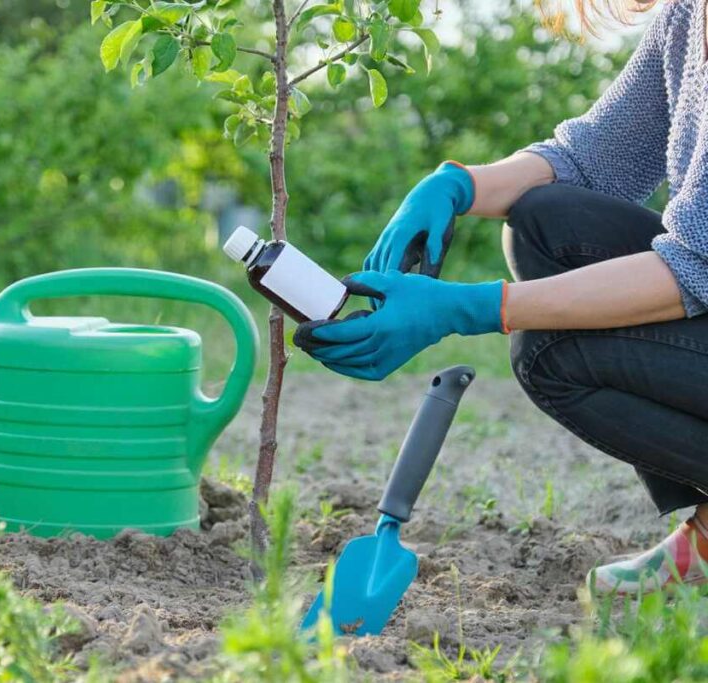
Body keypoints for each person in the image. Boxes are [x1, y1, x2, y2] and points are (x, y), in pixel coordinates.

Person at [294, 0, 708, 596]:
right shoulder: (688, 15)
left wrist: (468, 308)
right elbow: (588, 161)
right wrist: (457, 184)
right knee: (547, 220)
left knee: (552, 354)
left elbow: (694, 266)